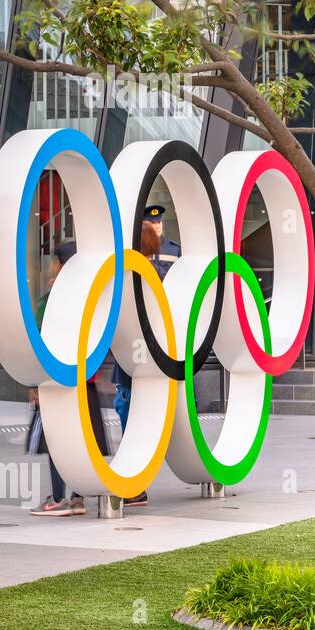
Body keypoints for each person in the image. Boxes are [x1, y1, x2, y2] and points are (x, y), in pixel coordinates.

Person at [28, 240, 109, 517]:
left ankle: (59, 498)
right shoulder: (91, 296)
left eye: (54, 261)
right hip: (85, 380)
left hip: (58, 381)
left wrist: (33, 382)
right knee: (83, 442)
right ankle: (76, 497)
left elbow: (38, 338)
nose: (51, 267)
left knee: (57, 441)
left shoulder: (54, 298)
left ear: (63, 265)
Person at [110, 204, 180, 508]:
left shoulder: (169, 255)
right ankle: (134, 478)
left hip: (151, 348)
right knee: (126, 404)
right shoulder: (131, 268)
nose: (156, 226)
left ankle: (135, 479)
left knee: (129, 406)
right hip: (139, 348)